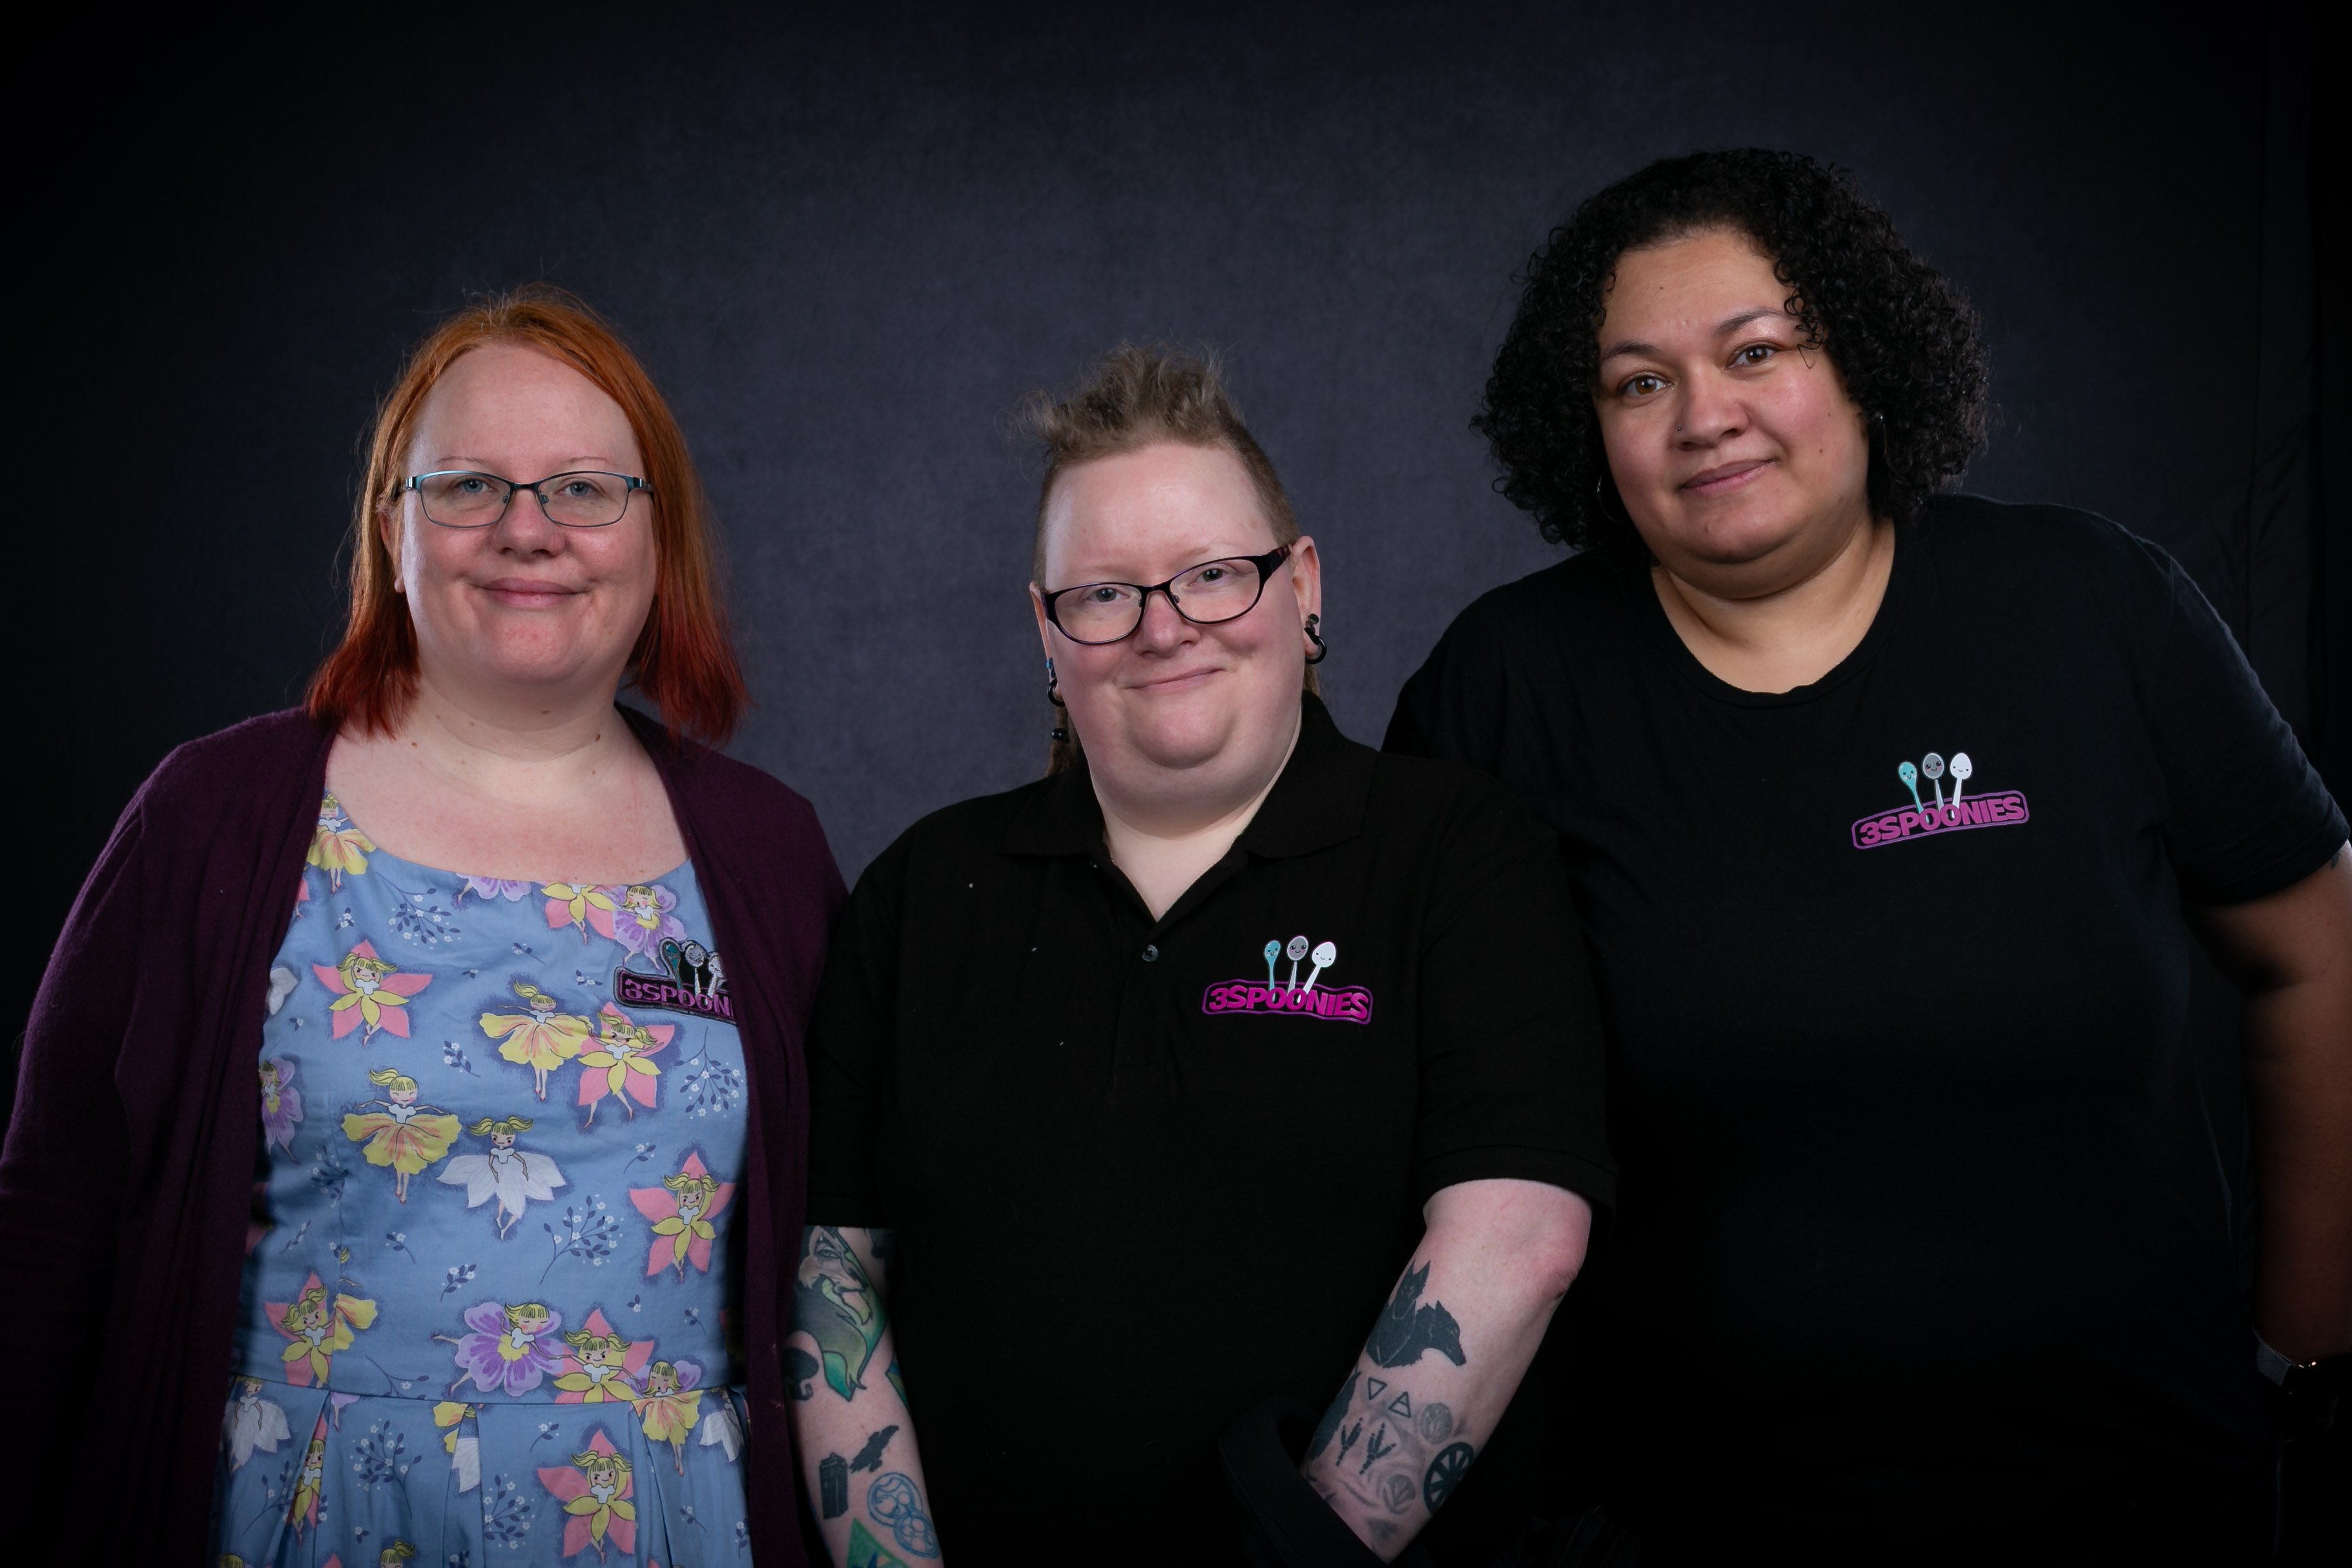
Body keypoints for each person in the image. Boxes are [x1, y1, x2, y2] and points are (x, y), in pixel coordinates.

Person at [1386, 149, 2352, 1561]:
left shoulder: (2091, 605)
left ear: (1863, 359)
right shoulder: (1514, 685)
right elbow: (1404, 1090)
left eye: (1757, 350)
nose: (1704, 416)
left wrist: (2308, 1345)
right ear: (1583, 428)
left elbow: (2320, 957)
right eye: (1638, 381)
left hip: (2145, 1499)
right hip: (1684, 1520)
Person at [0, 288, 844, 1563]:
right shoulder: (211, 818)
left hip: (678, 1528)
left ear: (655, 532)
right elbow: (46, 1231)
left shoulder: (771, 852)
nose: (525, 529)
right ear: (393, 528)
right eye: (466, 487)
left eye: (582, 488)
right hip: (297, 1523)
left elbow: (844, 1255)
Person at [790, 346, 1615, 1566]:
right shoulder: (925, 889)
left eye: (1214, 576)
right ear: (1046, 630)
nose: (1164, 629)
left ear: (1304, 586)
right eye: (1105, 593)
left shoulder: (1456, 852)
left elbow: (1517, 1238)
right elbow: (833, 1283)